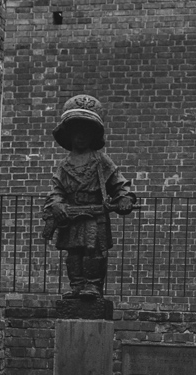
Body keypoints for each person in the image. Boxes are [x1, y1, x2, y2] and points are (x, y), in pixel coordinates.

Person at [43, 95, 136, 298]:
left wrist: (125, 198)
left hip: (95, 216)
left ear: (93, 135)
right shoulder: (64, 165)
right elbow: (56, 191)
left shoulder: (102, 161)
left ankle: (92, 286)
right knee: (73, 253)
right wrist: (57, 205)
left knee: (93, 252)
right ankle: (76, 286)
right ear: (69, 134)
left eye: (86, 132)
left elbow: (119, 183)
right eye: (77, 131)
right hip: (71, 217)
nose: (81, 136)